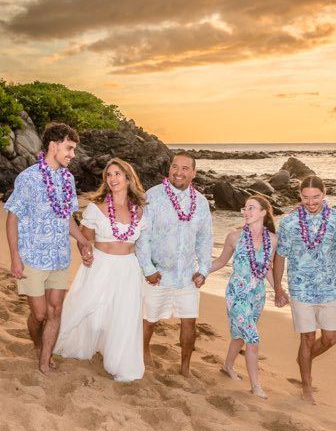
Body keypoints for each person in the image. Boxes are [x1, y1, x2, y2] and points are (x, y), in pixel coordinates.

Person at [4, 122, 93, 375]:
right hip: (32, 257)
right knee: (40, 314)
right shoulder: (28, 178)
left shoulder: (68, 179)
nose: (73, 154)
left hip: (60, 257)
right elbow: (12, 219)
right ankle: (37, 344)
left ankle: (45, 359)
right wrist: (15, 258)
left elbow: (67, 218)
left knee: (56, 311)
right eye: (69, 148)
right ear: (54, 146)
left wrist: (82, 241)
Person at [53, 158, 147, 382]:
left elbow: (142, 245)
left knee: (124, 316)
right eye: (109, 175)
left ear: (128, 178)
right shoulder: (96, 208)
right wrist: (85, 252)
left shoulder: (140, 211)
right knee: (89, 312)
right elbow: (84, 239)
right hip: (101, 265)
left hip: (128, 269)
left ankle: (120, 362)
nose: (112, 178)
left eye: (117, 174)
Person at [273, 175, 336, 404]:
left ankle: (303, 360)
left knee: (330, 339)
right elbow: (280, 256)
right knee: (308, 337)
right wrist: (278, 288)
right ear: (300, 196)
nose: (311, 202)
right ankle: (307, 387)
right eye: (306, 197)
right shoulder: (289, 222)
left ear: (324, 194)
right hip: (300, 287)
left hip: (328, 286)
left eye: (316, 197)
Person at [135, 153, 213, 377]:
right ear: (169, 169)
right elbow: (143, 236)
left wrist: (203, 270)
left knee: (189, 321)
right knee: (149, 319)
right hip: (157, 273)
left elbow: (205, 239)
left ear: (194, 173)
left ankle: (185, 367)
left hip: (187, 275)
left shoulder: (201, 202)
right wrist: (148, 269)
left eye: (185, 168)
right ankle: (143, 352)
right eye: (175, 167)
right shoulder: (153, 196)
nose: (179, 172)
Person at [209, 195, 278, 398]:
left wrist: (280, 291)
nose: (246, 212)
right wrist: (200, 272)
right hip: (237, 294)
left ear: (263, 212)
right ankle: (255, 386)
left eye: (251, 208)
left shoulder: (273, 240)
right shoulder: (234, 237)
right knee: (252, 338)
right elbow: (220, 261)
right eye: (245, 208)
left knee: (240, 336)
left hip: (257, 295)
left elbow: (267, 269)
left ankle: (228, 366)